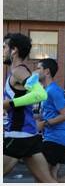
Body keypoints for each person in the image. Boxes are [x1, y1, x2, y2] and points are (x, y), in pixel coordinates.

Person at [3, 33, 57, 182]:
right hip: (29, 135)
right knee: (48, 182)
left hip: (17, 136)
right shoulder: (18, 72)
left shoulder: (19, 72)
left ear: (14, 50)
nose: (3, 52)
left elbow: (40, 94)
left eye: (4, 47)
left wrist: (9, 103)